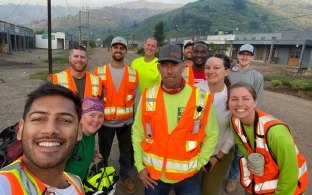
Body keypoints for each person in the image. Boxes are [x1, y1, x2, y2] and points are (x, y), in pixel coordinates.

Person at [132, 44, 219, 195]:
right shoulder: (148, 96)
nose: (169, 71)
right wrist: (140, 166)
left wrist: (199, 164)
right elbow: (138, 132)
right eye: (164, 65)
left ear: (184, 67)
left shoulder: (201, 98)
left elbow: (212, 134)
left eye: (174, 65)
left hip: (188, 176)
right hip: (155, 176)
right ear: (158, 68)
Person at [0, 83, 84, 194]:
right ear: (20, 129)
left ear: (79, 131)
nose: (50, 130)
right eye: (38, 119)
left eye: (65, 120)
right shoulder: (4, 184)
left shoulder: (76, 182)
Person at [227, 82, 308, 195]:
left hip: (290, 189)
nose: (239, 104)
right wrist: (251, 160)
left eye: (246, 99)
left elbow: (289, 174)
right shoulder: (235, 121)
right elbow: (242, 146)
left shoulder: (276, 132)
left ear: (255, 102)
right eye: (234, 99)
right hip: (261, 185)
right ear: (228, 103)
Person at [94, 36, 138, 194]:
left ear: (126, 51)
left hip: (126, 123)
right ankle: (103, 177)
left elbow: (137, 99)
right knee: (103, 153)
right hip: (105, 123)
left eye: (122, 48)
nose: (118, 50)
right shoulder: (98, 72)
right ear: (110, 49)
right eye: (115, 47)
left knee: (126, 152)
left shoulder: (133, 73)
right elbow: (94, 98)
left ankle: (125, 176)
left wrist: (136, 121)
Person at [226, 43, 264, 193]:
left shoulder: (257, 76)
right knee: (224, 147)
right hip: (228, 117)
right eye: (242, 54)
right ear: (238, 55)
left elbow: (258, 101)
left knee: (240, 152)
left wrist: (254, 122)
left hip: (245, 120)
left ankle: (232, 178)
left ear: (252, 57)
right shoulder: (230, 73)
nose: (244, 57)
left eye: (248, 54)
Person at [195, 53, 235, 195]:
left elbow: (233, 131)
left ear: (227, 71)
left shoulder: (233, 96)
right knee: (191, 189)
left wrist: (217, 157)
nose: (211, 71)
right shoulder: (194, 90)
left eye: (216, 67)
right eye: (208, 67)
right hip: (195, 153)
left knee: (209, 190)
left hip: (220, 153)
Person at [65, 97, 104, 181]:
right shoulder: (71, 138)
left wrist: (91, 155)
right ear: (80, 116)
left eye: (101, 116)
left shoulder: (90, 134)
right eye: (92, 115)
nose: (97, 120)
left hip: (80, 181)